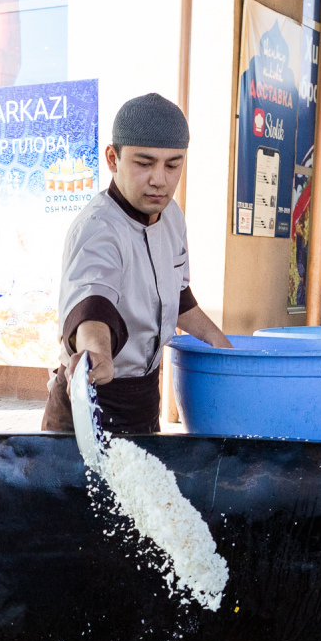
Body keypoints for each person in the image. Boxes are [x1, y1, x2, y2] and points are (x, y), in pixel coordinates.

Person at [44, 93, 233, 435]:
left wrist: (220, 343)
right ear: (113, 159)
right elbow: (92, 305)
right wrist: (97, 352)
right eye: (144, 163)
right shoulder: (98, 228)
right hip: (92, 406)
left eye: (173, 165)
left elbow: (176, 295)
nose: (160, 179)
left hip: (144, 401)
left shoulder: (172, 217)